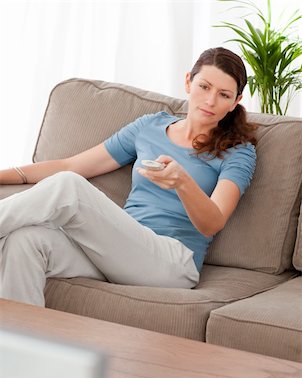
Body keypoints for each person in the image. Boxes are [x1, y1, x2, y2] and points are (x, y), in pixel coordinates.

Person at [0, 47, 257, 307]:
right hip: (120, 248)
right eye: (204, 86)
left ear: (235, 101)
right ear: (189, 81)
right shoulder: (150, 126)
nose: (210, 101)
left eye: (223, 94)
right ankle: (19, 345)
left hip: (172, 262)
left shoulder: (239, 152)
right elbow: (71, 164)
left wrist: (182, 182)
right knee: (25, 241)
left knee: (71, 187)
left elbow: (213, 222)